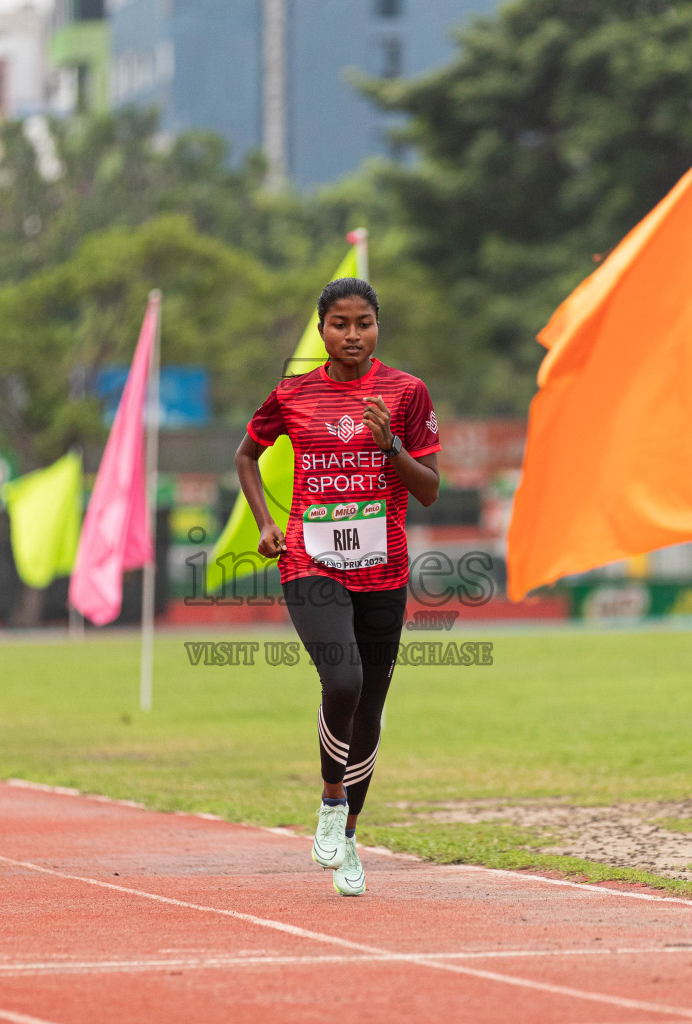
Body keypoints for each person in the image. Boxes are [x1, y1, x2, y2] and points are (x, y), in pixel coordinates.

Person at [234, 277, 442, 896]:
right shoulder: (293, 394)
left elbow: (429, 489)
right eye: (340, 324)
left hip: (385, 569)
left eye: (365, 323)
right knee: (343, 680)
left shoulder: (406, 392)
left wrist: (391, 445)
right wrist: (267, 524)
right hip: (309, 560)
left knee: (371, 708)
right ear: (321, 329)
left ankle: (348, 836)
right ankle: (330, 799)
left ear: (379, 326)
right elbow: (247, 455)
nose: (353, 335)